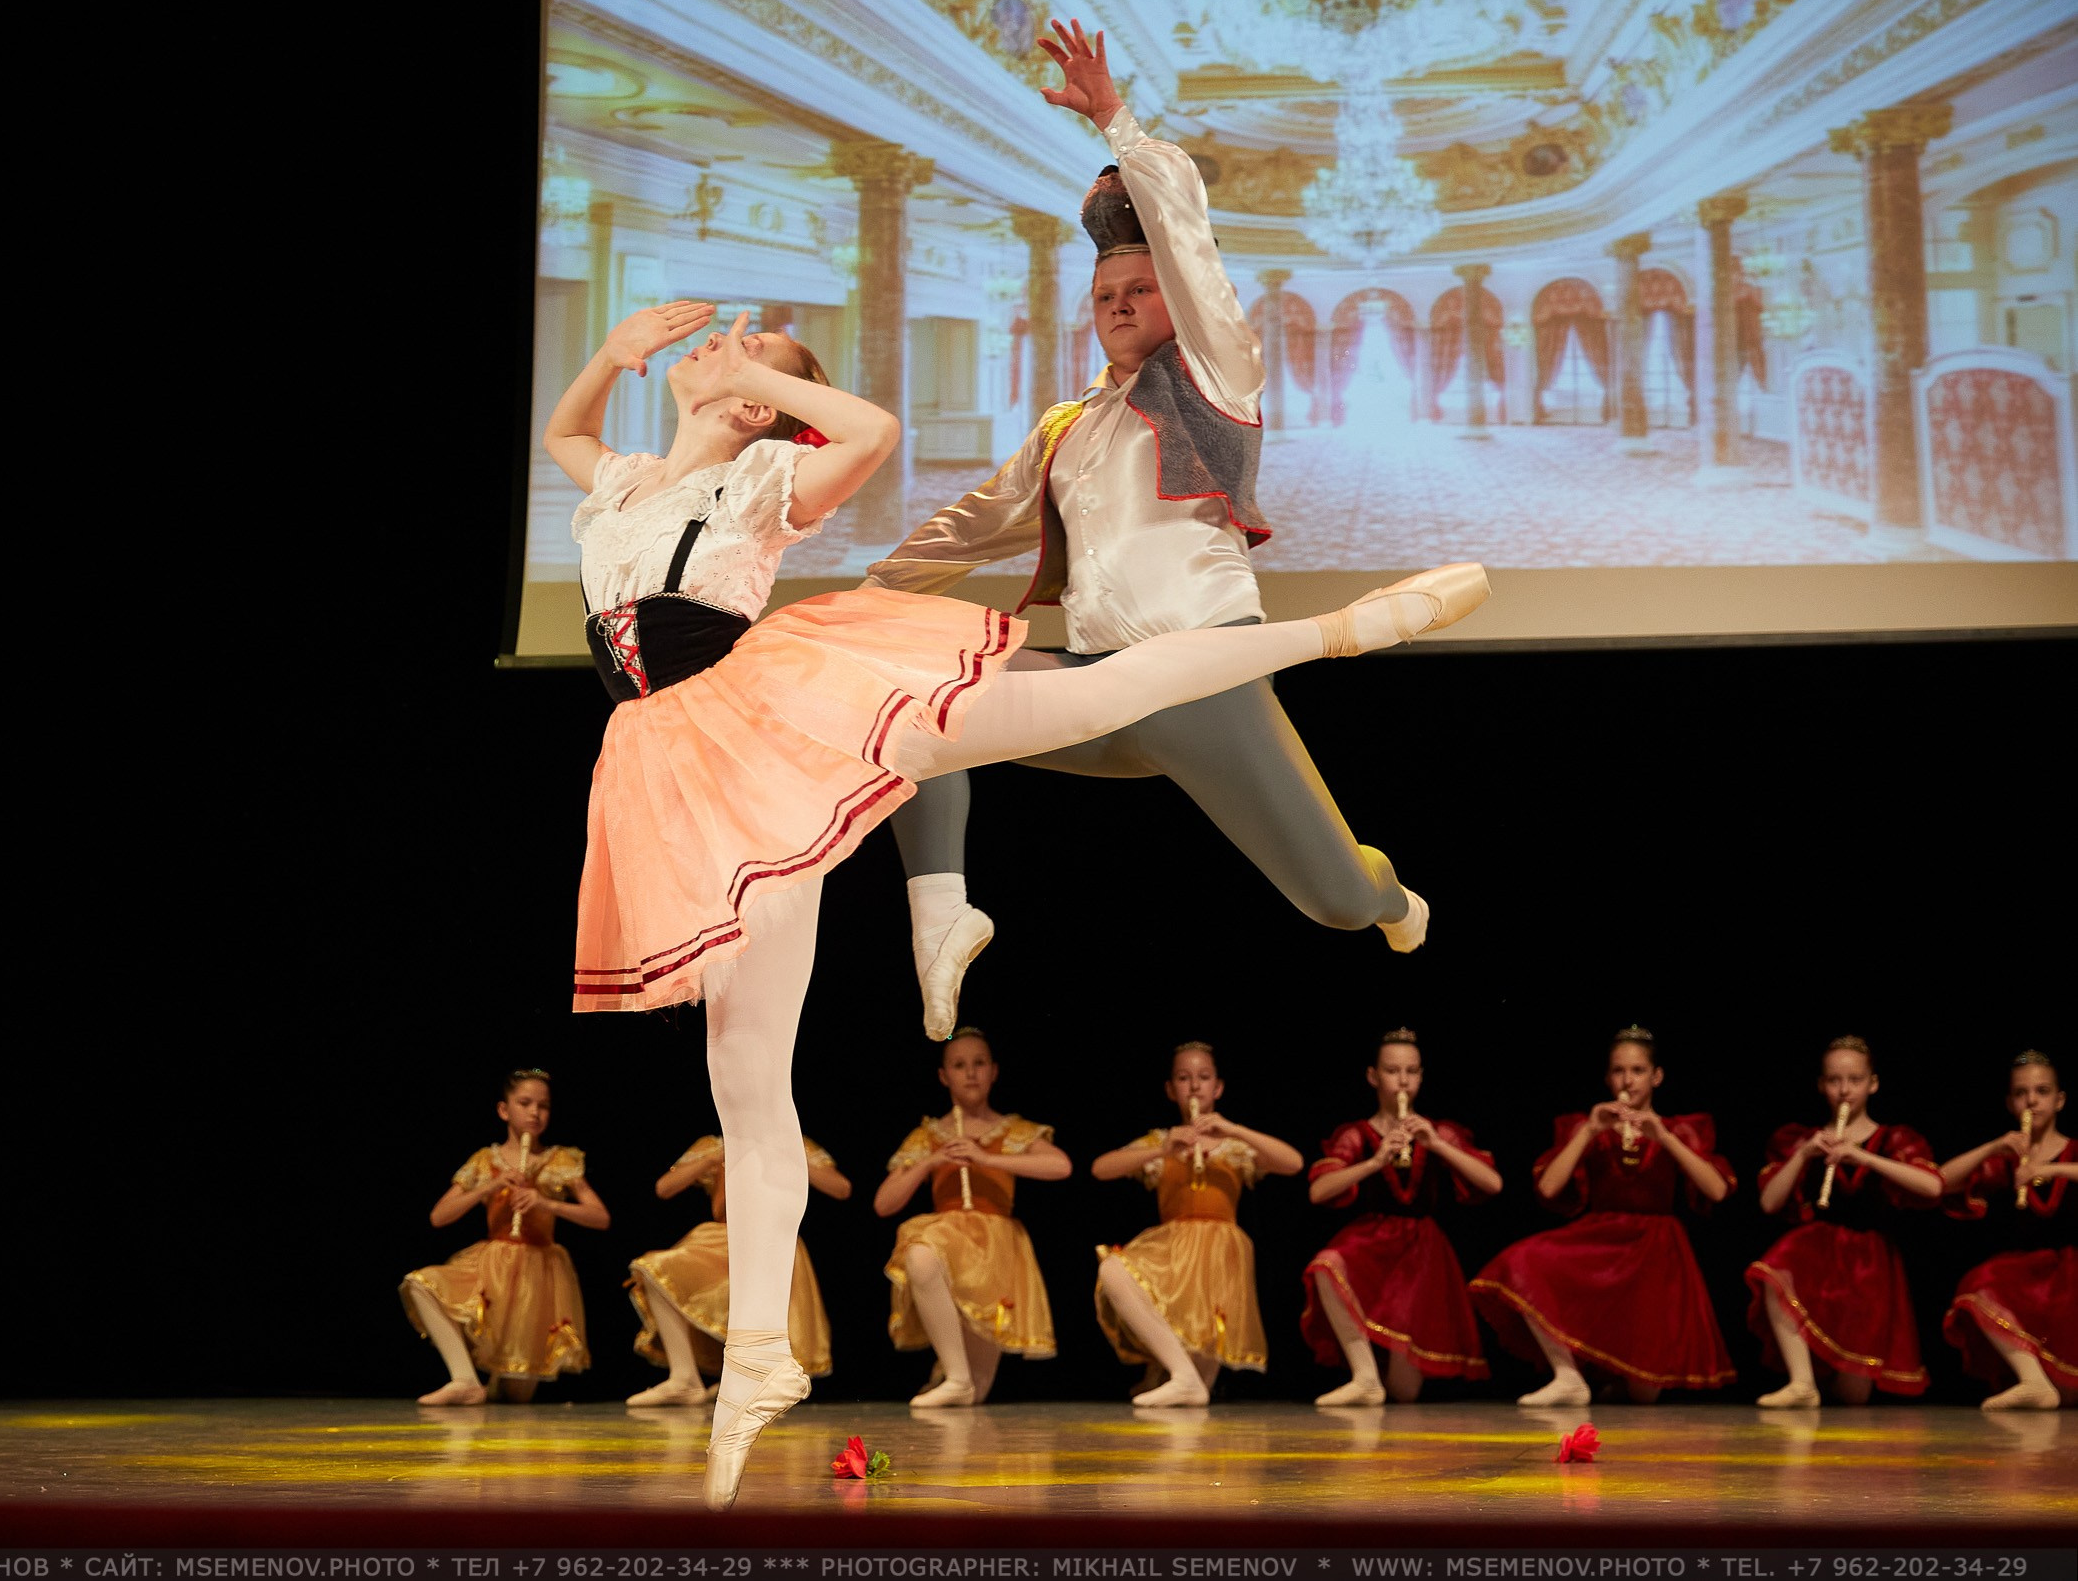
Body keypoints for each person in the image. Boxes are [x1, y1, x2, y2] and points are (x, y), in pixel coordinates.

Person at [546, 274, 1485, 1507]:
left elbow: (869, 434)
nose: (727, 348)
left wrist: (754, 384)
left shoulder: (763, 482)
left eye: (755, 348)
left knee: (1093, 693)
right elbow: (566, 435)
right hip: (669, 770)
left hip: (766, 711)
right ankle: (757, 1367)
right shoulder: (620, 484)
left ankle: (1344, 629)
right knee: (746, 1082)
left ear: (769, 409)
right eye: (730, 342)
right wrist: (613, 356)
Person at [867, 18, 1432, 1042]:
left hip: (1196, 675)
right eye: (1103, 296)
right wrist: (869, 594)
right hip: (1090, 681)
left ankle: (1390, 897)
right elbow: (966, 526)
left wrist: (1116, 119)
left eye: (1139, 290)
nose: (1119, 305)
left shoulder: (1216, 379)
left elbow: (1181, 234)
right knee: (912, 703)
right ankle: (942, 914)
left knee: (1334, 902)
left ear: (1179, 301)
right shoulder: (1065, 426)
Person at [1468, 1026, 1737, 1404]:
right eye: (1618, 1071)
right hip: (1602, 1237)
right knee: (1522, 1260)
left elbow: (1717, 1190)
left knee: (1644, 1393)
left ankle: (1609, 1382)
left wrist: (1666, 1138)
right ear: (1608, 1077)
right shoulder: (1592, 1126)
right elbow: (1548, 1188)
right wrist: (1590, 1130)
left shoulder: (1679, 1129)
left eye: (1638, 1070)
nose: (1628, 1080)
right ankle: (1568, 1376)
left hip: (1655, 1249)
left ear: (1656, 1076)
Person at [1091, 1039, 1303, 1406]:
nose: (1194, 1086)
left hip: (1220, 1254)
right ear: (1171, 1089)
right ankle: (1179, 1374)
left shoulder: (1233, 1145)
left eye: (1203, 1077)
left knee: (1197, 1391)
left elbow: (1293, 1163)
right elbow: (1101, 1168)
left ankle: (1182, 1379)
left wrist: (1233, 1129)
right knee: (1113, 1270)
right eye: (1184, 1078)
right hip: (1172, 1250)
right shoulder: (1162, 1140)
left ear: (1217, 1087)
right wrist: (1163, 1148)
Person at [1302, 1028, 1499, 1405]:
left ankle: (1379, 1396)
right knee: (1327, 1266)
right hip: (1373, 1242)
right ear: (1374, 1076)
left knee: (1405, 1393)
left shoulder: (1437, 1131)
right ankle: (1364, 1375)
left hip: (1421, 1254)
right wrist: (1375, 1162)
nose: (1403, 1081)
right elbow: (1319, 1191)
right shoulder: (1358, 1133)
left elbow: (1492, 1183)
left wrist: (1436, 1143)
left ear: (1421, 1076)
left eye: (1411, 1071)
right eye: (1393, 1071)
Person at [875, 1028, 1069, 1405]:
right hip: (948, 1236)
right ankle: (954, 1374)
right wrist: (933, 1160)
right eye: (959, 1065)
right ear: (944, 1076)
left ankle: (956, 1380)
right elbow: (884, 1203)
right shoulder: (930, 1134)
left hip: (994, 1250)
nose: (971, 1073)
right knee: (920, 1254)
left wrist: (985, 1158)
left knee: (977, 1393)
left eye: (979, 1063)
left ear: (994, 1071)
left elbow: (1060, 1166)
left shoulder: (1011, 1129)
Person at [1747, 1035, 1941, 1407]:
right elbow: (1770, 1203)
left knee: (1853, 1395)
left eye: (1854, 1081)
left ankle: (1820, 1394)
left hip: (1870, 1263)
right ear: (1822, 1085)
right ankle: (1801, 1381)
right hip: (1817, 1251)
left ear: (1873, 1083)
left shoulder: (1891, 1138)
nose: (1844, 1090)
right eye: (1835, 1081)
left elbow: (1932, 1186)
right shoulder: (1804, 1140)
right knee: (1774, 1271)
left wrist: (1866, 1159)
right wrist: (1803, 1154)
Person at [398, 1068, 608, 1405]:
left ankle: (487, 1388)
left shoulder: (560, 1158)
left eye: (543, 1106)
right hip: (492, 1266)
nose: (534, 1113)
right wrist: (492, 1184)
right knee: (422, 1284)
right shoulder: (486, 1159)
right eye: (524, 1103)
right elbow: (439, 1216)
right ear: (503, 1110)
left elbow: (600, 1217)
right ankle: (465, 1378)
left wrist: (546, 1202)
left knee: (515, 1395)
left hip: (538, 1276)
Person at [624, 1133, 848, 1406]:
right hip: (723, 1239)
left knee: (757, 1309)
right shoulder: (715, 1145)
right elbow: (665, 1187)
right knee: (655, 1270)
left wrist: (787, 1155)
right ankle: (685, 1378)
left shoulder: (789, 1139)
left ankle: (747, 1379)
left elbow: (840, 1188)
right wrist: (712, 1159)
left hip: (773, 1239)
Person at [1938, 1049, 2074, 1410]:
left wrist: (2055, 1171)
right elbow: (1940, 1182)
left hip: (2070, 1273)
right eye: (2021, 1093)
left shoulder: (2073, 1151)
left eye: (2042, 1091)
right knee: (1983, 1282)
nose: (2032, 1100)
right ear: (2010, 1103)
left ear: (2059, 1100)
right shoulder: (2008, 1159)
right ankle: (2034, 1382)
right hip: (2028, 1275)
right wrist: (1993, 1146)